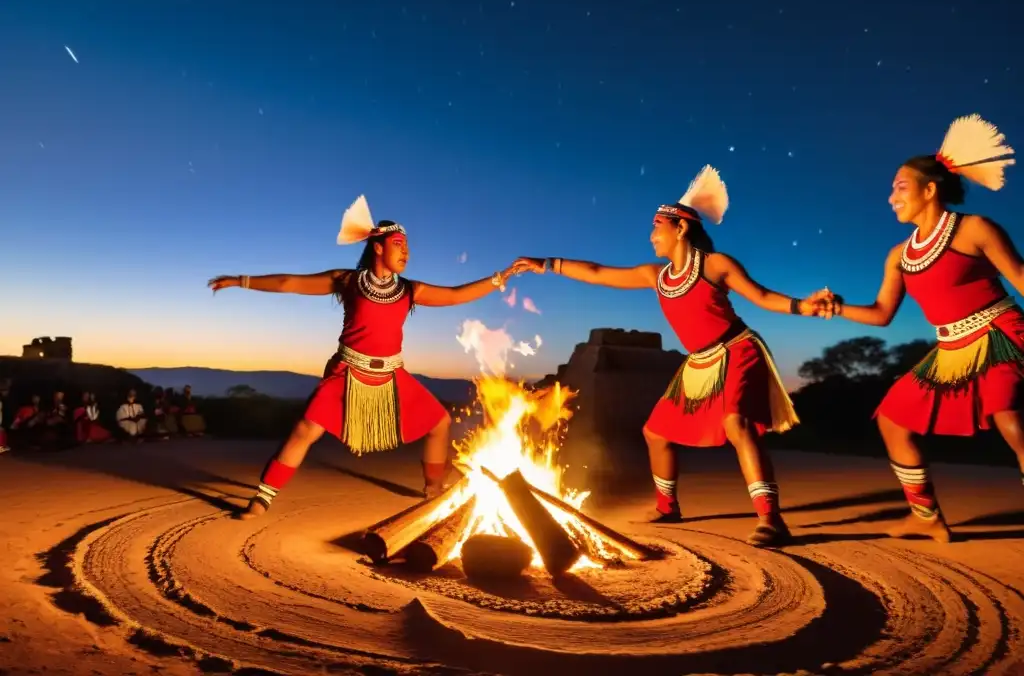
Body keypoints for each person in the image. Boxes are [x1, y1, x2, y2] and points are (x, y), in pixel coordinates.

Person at [512, 166, 831, 547]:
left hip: (737, 349)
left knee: (736, 425)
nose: (651, 236)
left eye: (656, 227)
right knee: (655, 432)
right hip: (698, 361)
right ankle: (668, 507)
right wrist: (546, 264)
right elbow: (598, 272)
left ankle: (771, 520)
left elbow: (762, 298)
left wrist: (803, 306)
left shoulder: (716, 265)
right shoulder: (656, 275)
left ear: (680, 228)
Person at [210, 195, 518, 520]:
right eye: (399, 244)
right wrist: (240, 281)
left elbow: (456, 295)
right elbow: (290, 283)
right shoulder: (348, 281)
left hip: (392, 376)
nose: (406, 252)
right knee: (305, 430)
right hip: (347, 372)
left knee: (439, 422)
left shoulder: (410, 290)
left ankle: (433, 490)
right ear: (378, 247)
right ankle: (262, 498)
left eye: (408, 246)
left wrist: (500, 278)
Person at [821, 114, 1021, 542]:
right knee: (893, 421)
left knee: (1012, 420)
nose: (891, 196)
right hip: (949, 350)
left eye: (900, 186)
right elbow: (880, 313)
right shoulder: (899, 255)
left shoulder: (975, 229)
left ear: (930, 190)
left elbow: (1021, 280)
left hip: (999, 335)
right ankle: (926, 517)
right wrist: (836, 308)